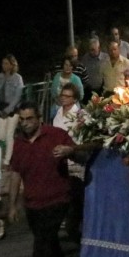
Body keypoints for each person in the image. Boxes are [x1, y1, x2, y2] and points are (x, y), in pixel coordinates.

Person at [9, 101, 80, 257]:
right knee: (49, 243)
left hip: (56, 200)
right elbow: (15, 174)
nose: (25, 123)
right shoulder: (19, 143)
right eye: (22, 119)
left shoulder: (56, 135)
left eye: (29, 118)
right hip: (33, 203)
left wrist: (69, 151)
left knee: (41, 248)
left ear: (39, 118)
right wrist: (12, 205)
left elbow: (80, 154)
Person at [52, 83, 86, 243]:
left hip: (73, 159)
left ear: (74, 98)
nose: (63, 98)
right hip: (60, 159)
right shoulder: (58, 112)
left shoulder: (79, 114)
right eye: (62, 95)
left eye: (67, 96)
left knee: (75, 196)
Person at [0, 53, 24, 167]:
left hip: (13, 109)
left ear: (12, 65)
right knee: (1, 135)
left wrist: (9, 109)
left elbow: (18, 95)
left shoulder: (17, 78)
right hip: (1, 107)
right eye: (3, 63)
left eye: (6, 63)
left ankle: (7, 159)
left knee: (9, 134)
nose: (4, 66)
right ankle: (7, 153)